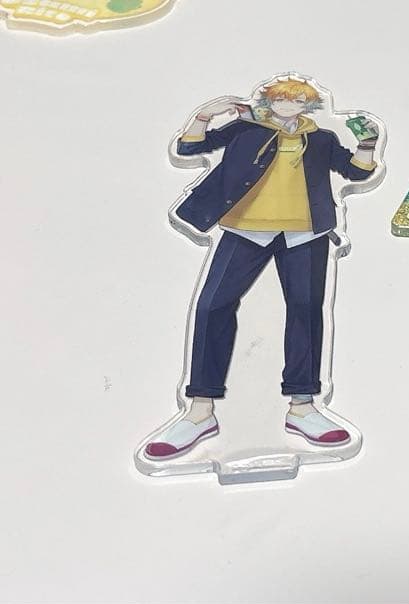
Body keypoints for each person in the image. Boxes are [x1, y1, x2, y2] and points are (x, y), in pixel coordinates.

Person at [144, 78, 379, 459]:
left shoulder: (321, 138)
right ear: (269, 101)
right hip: (245, 229)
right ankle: (199, 410)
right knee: (212, 306)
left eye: (297, 99)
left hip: (306, 233)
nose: (289, 104)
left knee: (306, 312)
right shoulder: (245, 129)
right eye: (281, 98)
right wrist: (204, 116)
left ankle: (303, 406)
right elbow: (191, 147)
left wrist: (367, 144)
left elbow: (356, 173)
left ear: (307, 105)